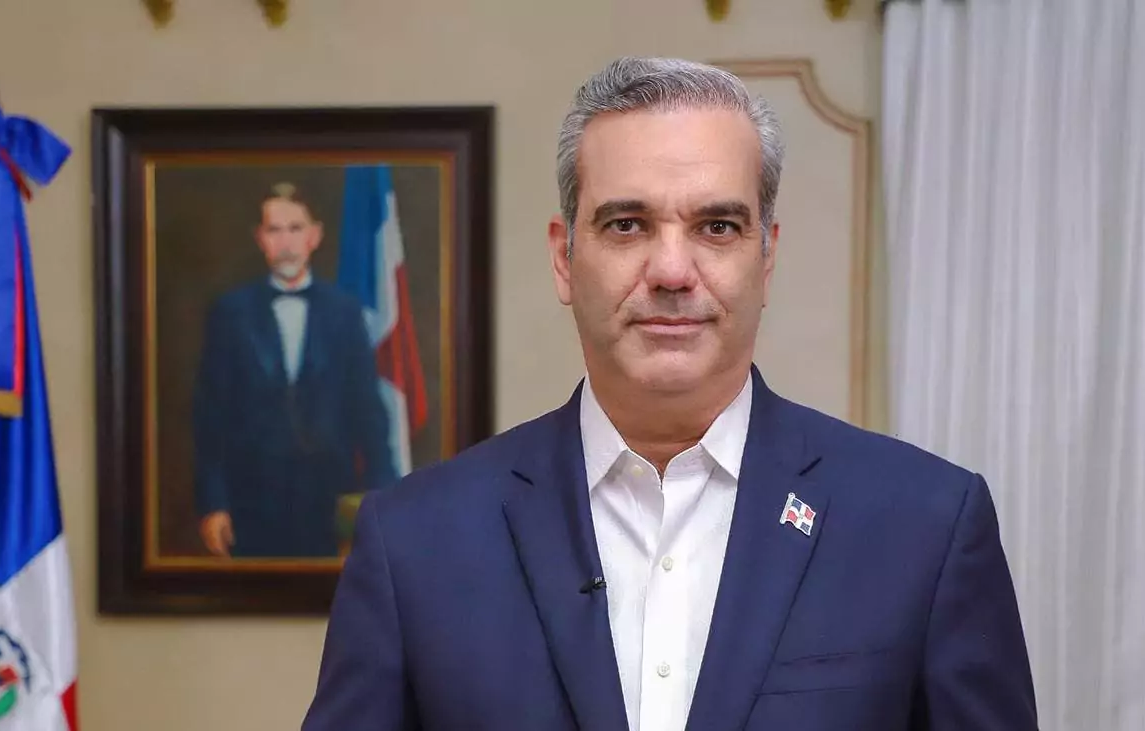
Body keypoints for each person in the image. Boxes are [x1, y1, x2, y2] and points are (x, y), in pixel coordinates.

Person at [302, 57, 1039, 730]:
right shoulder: (413, 542)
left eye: (717, 226)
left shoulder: (926, 526)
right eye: (627, 224)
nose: (672, 271)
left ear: (766, 257)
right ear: (564, 258)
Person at [192, 183, 396, 559]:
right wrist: (213, 503)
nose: (286, 242)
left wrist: (385, 499)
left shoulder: (344, 312)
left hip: (328, 502)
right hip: (250, 501)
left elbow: (368, 412)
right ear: (260, 238)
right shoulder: (230, 313)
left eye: (295, 228)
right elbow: (211, 418)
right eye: (274, 230)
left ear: (314, 236)